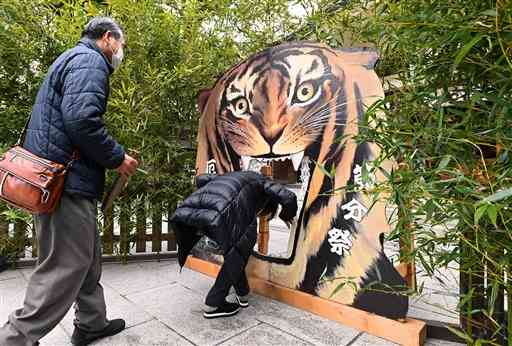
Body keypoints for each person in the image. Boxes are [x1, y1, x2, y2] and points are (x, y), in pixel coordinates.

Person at [0, 17, 138, 346]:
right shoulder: (91, 61)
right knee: (66, 264)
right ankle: (14, 339)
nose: (121, 52)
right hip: (66, 183)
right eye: (121, 45)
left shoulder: (71, 58)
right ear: (108, 38)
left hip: (57, 180)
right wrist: (118, 157)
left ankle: (92, 323)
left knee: (85, 256)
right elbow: (81, 120)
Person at [170, 171, 297, 319]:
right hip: (220, 215)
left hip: (193, 215)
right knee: (240, 249)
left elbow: (202, 178)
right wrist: (286, 215)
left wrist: (208, 197)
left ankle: (242, 293)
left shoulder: (233, 176)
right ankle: (214, 303)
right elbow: (288, 196)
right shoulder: (262, 182)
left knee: (235, 252)